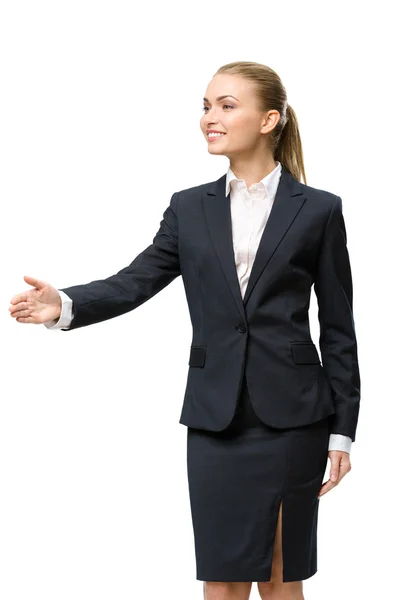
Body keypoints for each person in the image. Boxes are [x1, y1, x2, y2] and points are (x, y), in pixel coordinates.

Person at [9, 61, 361, 600]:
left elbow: (339, 328)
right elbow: (135, 281)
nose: (208, 118)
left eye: (226, 105)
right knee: (220, 576)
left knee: (279, 572)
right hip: (215, 414)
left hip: (295, 418)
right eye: (205, 106)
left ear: (269, 120)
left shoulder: (318, 210)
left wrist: (343, 431)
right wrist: (66, 303)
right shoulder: (188, 208)